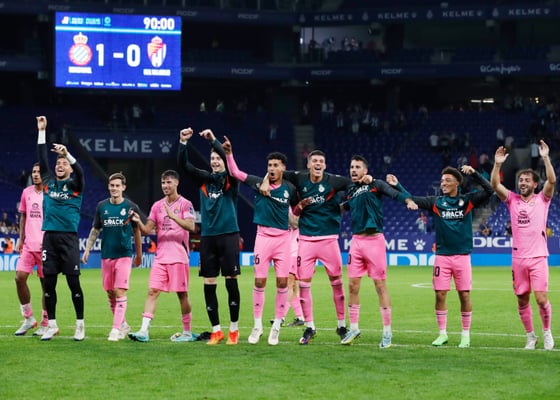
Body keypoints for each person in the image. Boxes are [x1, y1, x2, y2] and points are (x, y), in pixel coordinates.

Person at [260, 150, 368, 345]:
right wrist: (266, 180)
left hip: (329, 240)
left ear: (324, 166)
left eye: (321, 161)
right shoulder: (299, 178)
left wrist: (367, 179)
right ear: (308, 164)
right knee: (303, 285)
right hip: (306, 241)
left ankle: (341, 326)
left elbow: (356, 185)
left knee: (337, 283)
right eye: (314, 161)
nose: (318, 163)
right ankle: (310, 326)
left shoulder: (334, 181)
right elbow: (277, 171)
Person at [222, 136, 298, 345]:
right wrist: (229, 154)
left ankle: (276, 327)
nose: (272, 168)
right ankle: (257, 326)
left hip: (283, 240)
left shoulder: (290, 189)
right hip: (263, 238)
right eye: (269, 165)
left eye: (276, 165)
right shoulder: (258, 183)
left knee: (283, 282)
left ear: (283, 168)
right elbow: (236, 173)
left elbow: (296, 211)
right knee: (259, 281)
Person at [407, 165, 493, 348]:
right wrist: (397, 185)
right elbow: (412, 198)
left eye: (447, 180)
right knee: (440, 294)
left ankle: (465, 335)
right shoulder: (436, 202)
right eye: (442, 180)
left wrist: (474, 173)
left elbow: (489, 190)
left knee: (464, 295)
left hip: (462, 257)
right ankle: (442, 334)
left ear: (457, 184)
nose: (443, 183)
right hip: (442, 257)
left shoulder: (467, 201)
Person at [339, 156, 418, 347]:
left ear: (365, 170)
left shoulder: (376, 184)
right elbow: (342, 207)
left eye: (357, 167)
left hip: (374, 241)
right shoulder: (350, 190)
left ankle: (387, 332)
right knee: (352, 286)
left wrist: (408, 200)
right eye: (351, 167)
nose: (353, 170)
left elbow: (394, 194)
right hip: (356, 241)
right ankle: (354, 328)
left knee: (380, 286)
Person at [178, 128, 241, 345]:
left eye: (218, 158)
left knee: (231, 281)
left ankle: (234, 330)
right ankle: (216, 331)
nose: (214, 161)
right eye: (212, 159)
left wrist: (213, 140)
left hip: (229, 235)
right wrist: (183, 143)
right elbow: (184, 165)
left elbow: (226, 157)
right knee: (209, 282)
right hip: (208, 237)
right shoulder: (204, 180)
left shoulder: (231, 179)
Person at [490, 141, 556, 350]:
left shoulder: (543, 199)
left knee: (541, 298)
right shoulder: (512, 200)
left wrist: (545, 157)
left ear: (535, 184)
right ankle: (530, 336)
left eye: (527, 180)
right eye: (521, 180)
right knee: (521, 299)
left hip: (538, 257)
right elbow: (495, 185)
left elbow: (552, 180)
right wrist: (497, 164)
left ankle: (547, 333)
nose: (523, 182)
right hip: (518, 259)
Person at [128, 170, 198, 343]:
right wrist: (138, 221)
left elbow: (191, 227)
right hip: (160, 257)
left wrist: (173, 216)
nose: (165, 186)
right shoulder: (157, 206)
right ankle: (143, 331)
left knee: (182, 294)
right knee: (152, 291)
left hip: (179, 256)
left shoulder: (186, 204)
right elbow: (147, 230)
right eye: (163, 183)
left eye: (168, 182)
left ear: (176, 183)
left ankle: (187, 332)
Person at [36, 115, 86, 341]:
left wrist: (68, 154)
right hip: (49, 238)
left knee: (73, 282)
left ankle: (80, 325)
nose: (59, 165)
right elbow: (42, 158)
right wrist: (42, 131)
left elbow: (81, 172)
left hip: (69, 239)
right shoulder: (48, 182)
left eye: (63, 163)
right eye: (58, 163)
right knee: (49, 283)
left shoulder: (75, 185)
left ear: (69, 168)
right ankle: (52, 325)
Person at [81, 172, 143, 341]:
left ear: (123, 187)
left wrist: (138, 255)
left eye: (117, 186)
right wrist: (87, 249)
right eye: (112, 185)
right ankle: (123, 325)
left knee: (119, 290)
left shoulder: (131, 208)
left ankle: (115, 330)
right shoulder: (102, 206)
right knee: (110, 292)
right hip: (106, 255)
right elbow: (95, 229)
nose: (114, 188)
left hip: (124, 255)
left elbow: (137, 232)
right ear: (108, 187)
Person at [14, 163, 48, 336]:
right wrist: (21, 239)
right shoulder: (26, 192)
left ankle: (46, 322)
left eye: (39, 172)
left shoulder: (50, 193)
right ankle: (28, 318)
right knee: (19, 278)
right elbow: (23, 216)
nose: (35, 174)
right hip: (28, 245)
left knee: (46, 286)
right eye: (33, 172)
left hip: (46, 246)